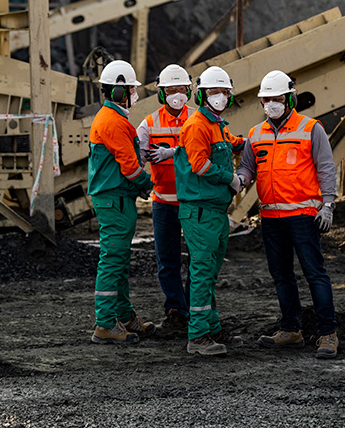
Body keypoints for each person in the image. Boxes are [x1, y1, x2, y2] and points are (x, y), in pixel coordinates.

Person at [235, 70, 339, 359]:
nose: (271, 104)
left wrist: (328, 204)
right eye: (266, 100)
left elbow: (326, 167)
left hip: (303, 216)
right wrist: (239, 179)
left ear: (290, 99)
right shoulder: (256, 135)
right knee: (281, 275)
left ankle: (328, 333)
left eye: (276, 98)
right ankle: (291, 329)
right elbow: (247, 167)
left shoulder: (310, 128)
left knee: (315, 274)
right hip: (271, 218)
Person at [174, 66, 245, 355]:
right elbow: (200, 165)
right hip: (200, 210)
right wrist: (230, 177)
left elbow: (229, 145)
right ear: (202, 95)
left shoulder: (218, 125)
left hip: (213, 210)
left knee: (210, 272)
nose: (220, 97)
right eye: (215, 92)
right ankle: (198, 335)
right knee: (202, 272)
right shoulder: (197, 126)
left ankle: (211, 327)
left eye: (225, 92)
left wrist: (251, 142)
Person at [88, 59, 156, 345]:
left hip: (117, 198)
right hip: (114, 199)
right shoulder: (113, 122)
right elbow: (129, 167)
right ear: (118, 92)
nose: (134, 94)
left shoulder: (113, 119)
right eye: (130, 89)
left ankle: (125, 317)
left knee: (119, 261)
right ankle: (104, 324)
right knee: (113, 260)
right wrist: (148, 184)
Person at [137, 64, 193, 335]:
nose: (176, 95)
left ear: (189, 91)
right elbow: (136, 155)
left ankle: (195, 308)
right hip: (163, 201)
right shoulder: (148, 124)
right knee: (167, 260)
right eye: (171, 90)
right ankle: (176, 312)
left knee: (198, 259)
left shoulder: (198, 119)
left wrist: (173, 153)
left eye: (181, 89)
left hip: (193, 201)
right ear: (161, 94)